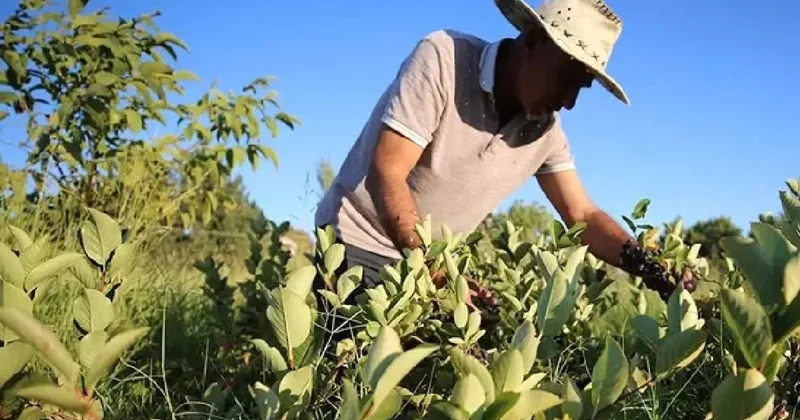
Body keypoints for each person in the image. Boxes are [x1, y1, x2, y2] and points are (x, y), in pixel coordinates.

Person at [313, 0, 690, 310]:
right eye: (566, 79)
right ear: (533, 43)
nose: (570, 102)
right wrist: (441, 278)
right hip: (356, 245)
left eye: (582, 88)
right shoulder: (444, 58)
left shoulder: (545, 130)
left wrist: (653, 268)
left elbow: (583, 215)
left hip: (425, 270)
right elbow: (387, 171)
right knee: (353, 391)